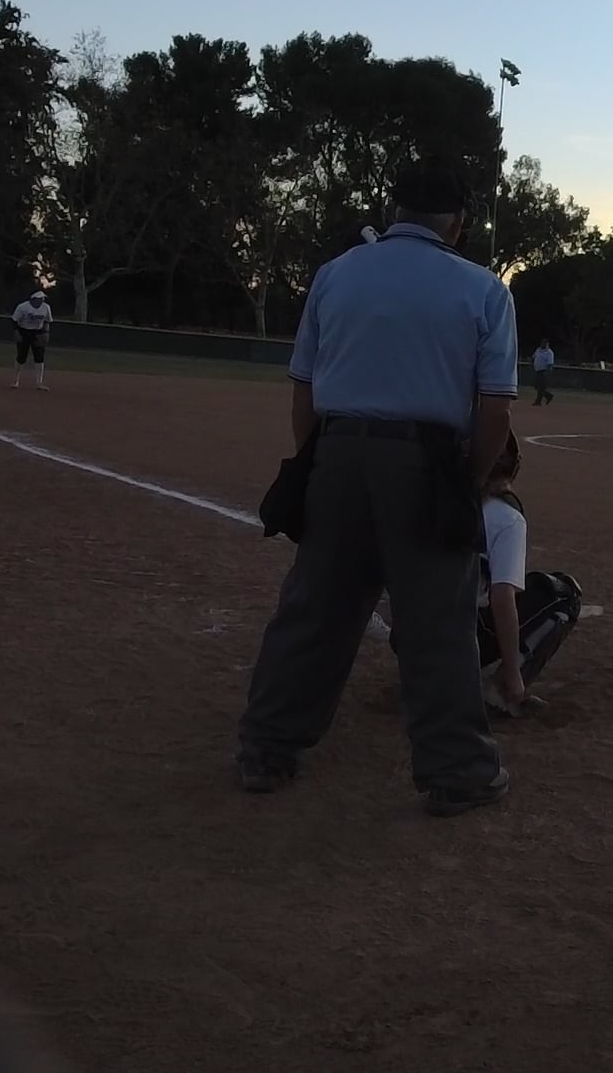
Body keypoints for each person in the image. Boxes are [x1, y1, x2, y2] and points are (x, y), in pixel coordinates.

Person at [237, 157, 517, 818]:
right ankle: (457, 772)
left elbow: (304, 389)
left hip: (336, 453)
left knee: (313, 610)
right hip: (427, 462)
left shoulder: (336, 274)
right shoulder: (484, 290)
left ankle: (266, 750)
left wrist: (317, 461)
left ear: (395, 211)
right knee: (438, 624)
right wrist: (468, 481)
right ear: (457, 223)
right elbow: (495, 410)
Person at [476, 434, 583, 713]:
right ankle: (502, 688)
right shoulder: (506, 517)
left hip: (413, 638)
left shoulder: (438, 500)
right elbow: (502, 598)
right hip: (460, 637)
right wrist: (513, 671)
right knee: (564, 594)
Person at [9, 291, 52, 390]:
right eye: (39, 299)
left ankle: (39, 383)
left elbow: (47, 321)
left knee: (39, 356)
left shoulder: (46, 307)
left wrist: (46, 333)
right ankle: (16, 380)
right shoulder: (22, 307)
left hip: (38, 333)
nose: (41, 301)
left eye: (42, 299)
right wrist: (17, 333)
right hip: (24, 331)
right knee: (21, 357)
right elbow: (14, 320)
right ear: (33, 299)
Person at [531, 339, 556, 406]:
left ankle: (538, 401)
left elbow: (550, 364)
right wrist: (532, 364)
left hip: (543, 371)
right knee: (537, 387)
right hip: (537, 370)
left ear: (547, 344)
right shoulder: (538, 350)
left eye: (545, 343)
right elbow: (533, 357)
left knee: (540, 387)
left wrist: (548, 373)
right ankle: (548, 396)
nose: (543, 344)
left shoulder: (549, 353)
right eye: (542, 343)